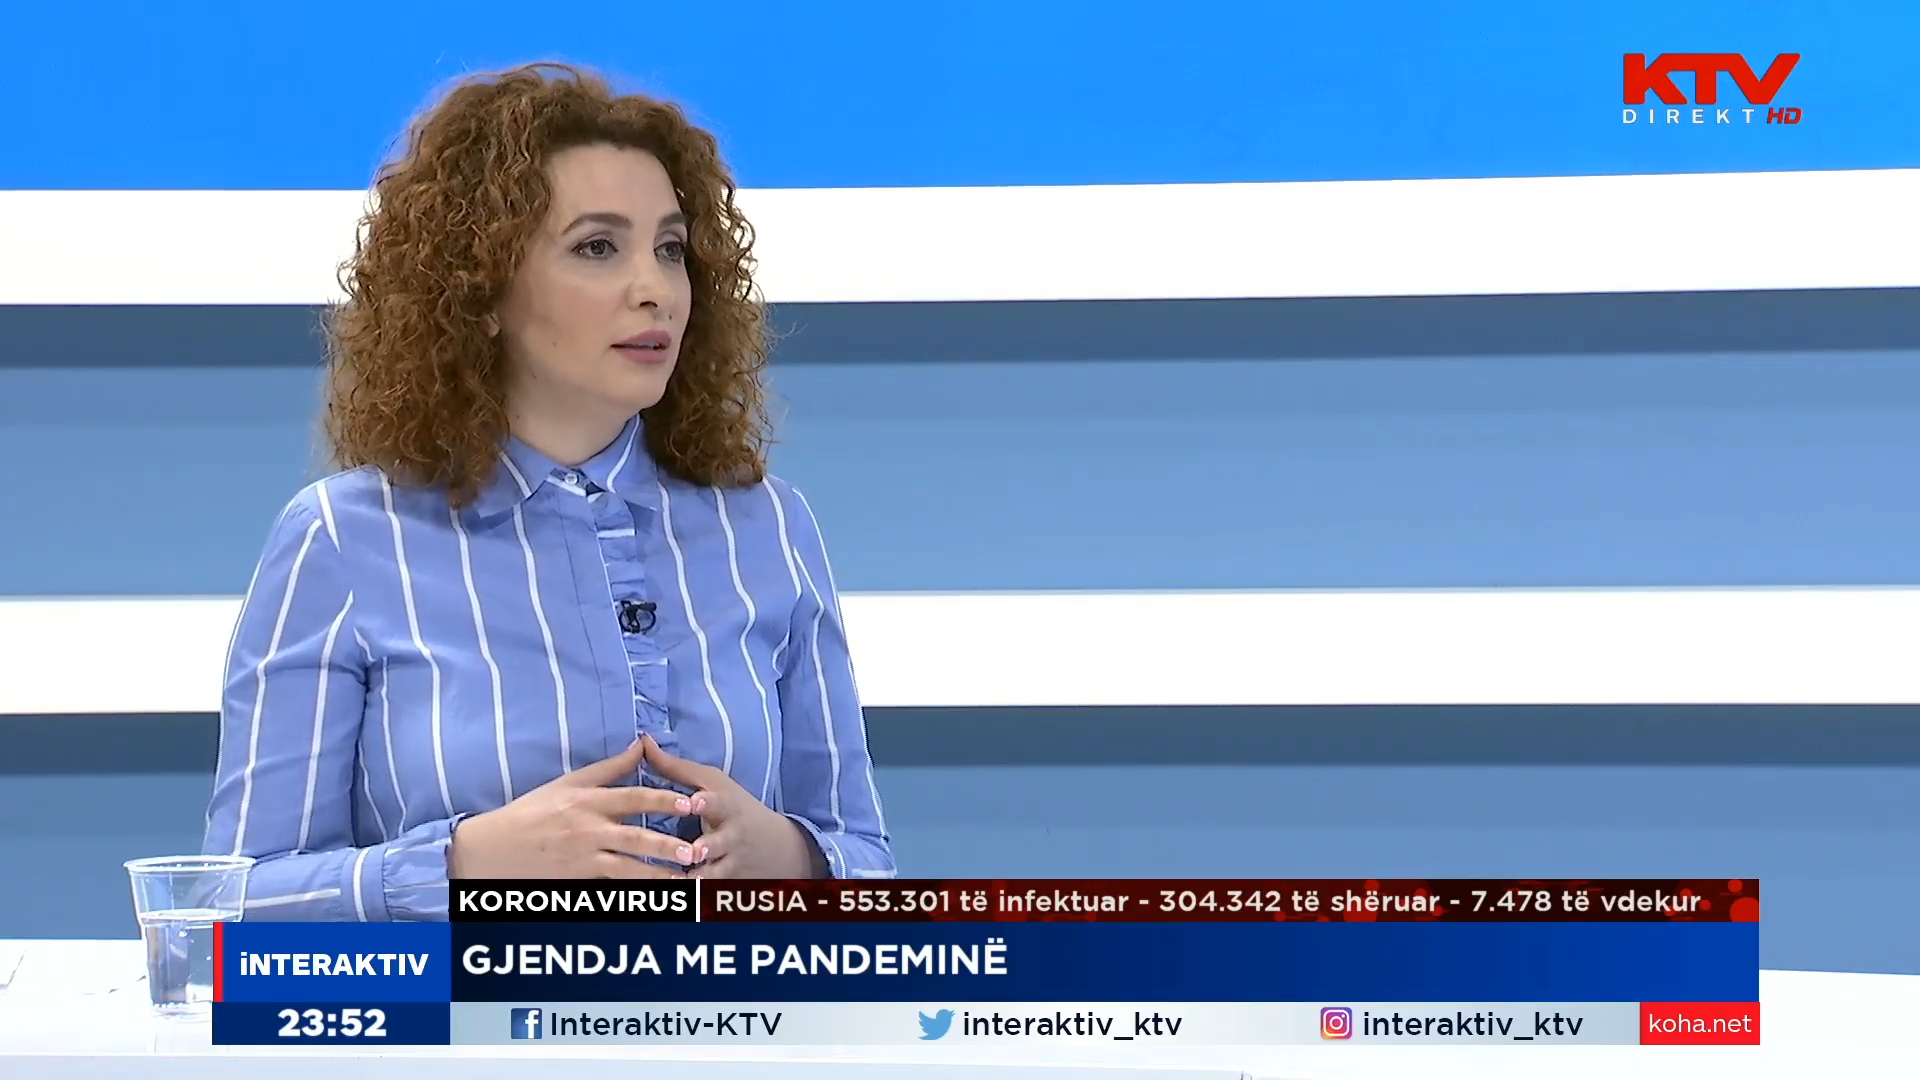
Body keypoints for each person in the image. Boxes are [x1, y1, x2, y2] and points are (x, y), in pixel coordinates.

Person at [200, 62, 894, 921]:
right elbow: (225, 908)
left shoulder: (769, 526)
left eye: (671, 249)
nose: (655, 290)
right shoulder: (342, 541)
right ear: (482, 290)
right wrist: (459, 866)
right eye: (597, 248)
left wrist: (788, 857)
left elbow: (868, 865)